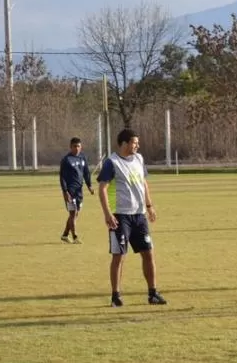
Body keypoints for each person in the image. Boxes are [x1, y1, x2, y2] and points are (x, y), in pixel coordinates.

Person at [97, 129, 166, 307]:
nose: (137, 145)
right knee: (119, 256)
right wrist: (107, 213)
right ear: (124, 144)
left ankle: (153, 293)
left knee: (148, 253)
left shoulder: (139, 159)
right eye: (134, 142)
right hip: (120, 216)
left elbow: (143, 182)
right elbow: (102, 188)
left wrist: (149, 206)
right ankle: (115, 296)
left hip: (139, 216)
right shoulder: (111, 163)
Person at [59, 137, 94, 243]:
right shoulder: (66, 160)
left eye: (78, 146)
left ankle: (65, 234)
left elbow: (86, 173)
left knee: (75, 213)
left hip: (79, 191)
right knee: (73, 213)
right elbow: (62, 177)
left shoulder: (82, 158)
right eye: (74, 146)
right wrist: (65, 192)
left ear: (81, 147)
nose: (77, 148)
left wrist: (89, 185)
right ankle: (75, 237)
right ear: (70, 147)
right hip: (70, 191)